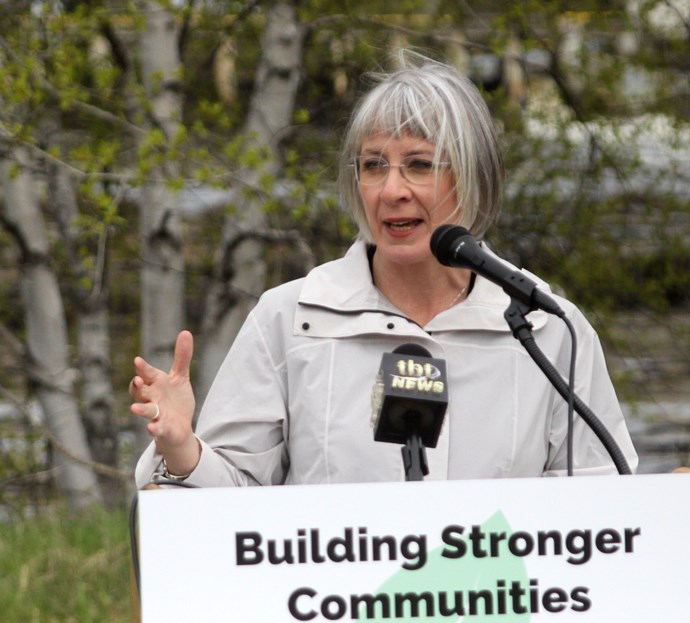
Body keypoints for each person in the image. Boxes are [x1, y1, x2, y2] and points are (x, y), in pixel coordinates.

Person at [130, 52, 639, 488]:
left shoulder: (547, 328)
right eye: (374, 166)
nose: (392, 190)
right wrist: (182, 450)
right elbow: (236, 502)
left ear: (473, 176)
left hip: (499, 600)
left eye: (418, 164)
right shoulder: (289, 320)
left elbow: (600, 512)